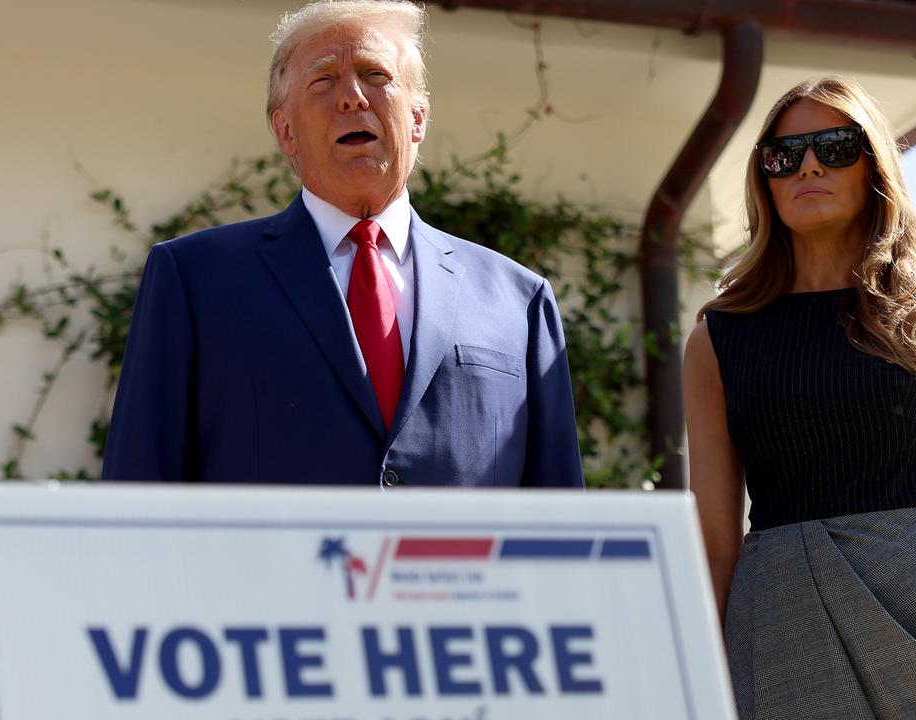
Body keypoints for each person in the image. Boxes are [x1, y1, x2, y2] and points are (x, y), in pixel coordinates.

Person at [102, 0, 584, 489]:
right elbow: (137, 490)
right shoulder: (192, 280)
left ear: (418, 117)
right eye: (323, 80)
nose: (353, 97)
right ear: (285, 130)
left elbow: (562, 520)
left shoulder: (519, 301)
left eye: (376, 75)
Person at [683, 76, 916, 719]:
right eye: (784, 154)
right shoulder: (717, 339)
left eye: (835, 145)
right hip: (778, 641)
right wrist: (692, 691)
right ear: (763, 178)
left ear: (874, 162)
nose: (810, 165)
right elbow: (713, 542)